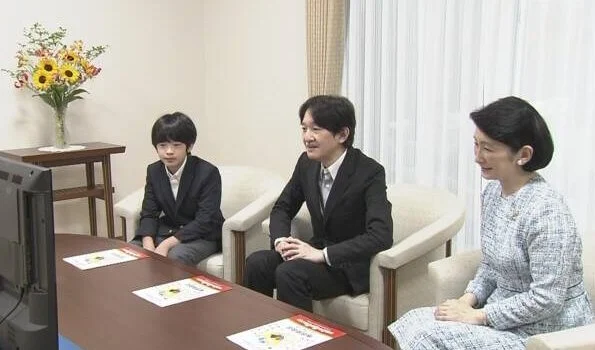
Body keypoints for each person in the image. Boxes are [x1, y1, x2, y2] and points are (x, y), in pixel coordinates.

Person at [389, 96, 593, 349]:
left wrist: (479, 315)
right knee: (414, 320)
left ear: (524, 154)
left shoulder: (547, 212)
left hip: (543, 331)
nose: (477, 157)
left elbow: (547, 299)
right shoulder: (493, 194)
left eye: (488, 148)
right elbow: (490, 264)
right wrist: (468, 299)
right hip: (501, 315)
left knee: (428, 335)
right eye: (476, 145)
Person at [243, 95, 393, 311]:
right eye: (304, 129)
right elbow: (283, 208)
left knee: (290, 273)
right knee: (257, 263)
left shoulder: (369, 172)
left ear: (342, 134)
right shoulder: (307, 164)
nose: (307, 137)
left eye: (315, 129)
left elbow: (381, 235)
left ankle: (298, 341)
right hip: (314, 252)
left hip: (345, 265)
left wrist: (323, 255)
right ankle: (259, 331)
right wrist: (281, 241)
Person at [130, 112, 224, 266]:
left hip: (202, 235)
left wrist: (166, 245)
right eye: (163, 145)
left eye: (176, 145)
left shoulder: (207, 172)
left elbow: (205, 220)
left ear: (189, 146)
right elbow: (149, 212)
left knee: (174, 257)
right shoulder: (154, 171)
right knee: (132, 252)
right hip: (168, 230)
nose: (169, 151)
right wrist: (148, 245)